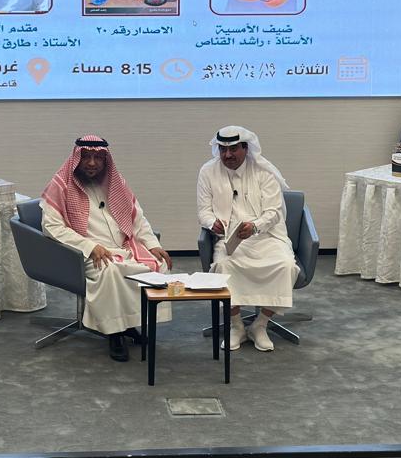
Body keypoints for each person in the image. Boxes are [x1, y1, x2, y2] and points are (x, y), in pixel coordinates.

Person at [42, 135, 172, 361]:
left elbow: (137, 219)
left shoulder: (115, 183)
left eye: (98, 158)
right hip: (85, 254)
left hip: (124, 248)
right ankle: (115, 333)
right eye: (86, 157)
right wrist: (89, 246)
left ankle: (130, 323)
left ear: (105, 161)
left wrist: (153, 244)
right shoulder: (61, 185)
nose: (92, 163)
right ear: (77, 159)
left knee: (158, 265)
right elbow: (51, 227)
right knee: (111, 271)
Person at [197, 126, 298, 351]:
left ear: (246, 148)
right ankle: (237, 326)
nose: (227, 155)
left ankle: (260, 325)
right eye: (222, 149)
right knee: (223, 266)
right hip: (229, 239)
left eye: (233, 149)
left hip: (266, 236)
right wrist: (211, 223)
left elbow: (273, 212)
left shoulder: (264, 171)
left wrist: (255, 227)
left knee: (286, 265)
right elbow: (203, 211)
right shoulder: (208, 171)